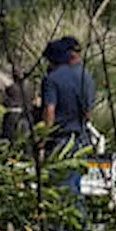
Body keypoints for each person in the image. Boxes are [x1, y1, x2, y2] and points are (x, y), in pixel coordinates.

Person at [40, 35, 96, 197]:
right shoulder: (87, 77)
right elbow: (88, 113)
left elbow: (49, 111)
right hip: (80, 139)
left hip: (59, 140)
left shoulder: (52, 79)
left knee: (58, 191)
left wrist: (41, 142)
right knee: (75, 188)